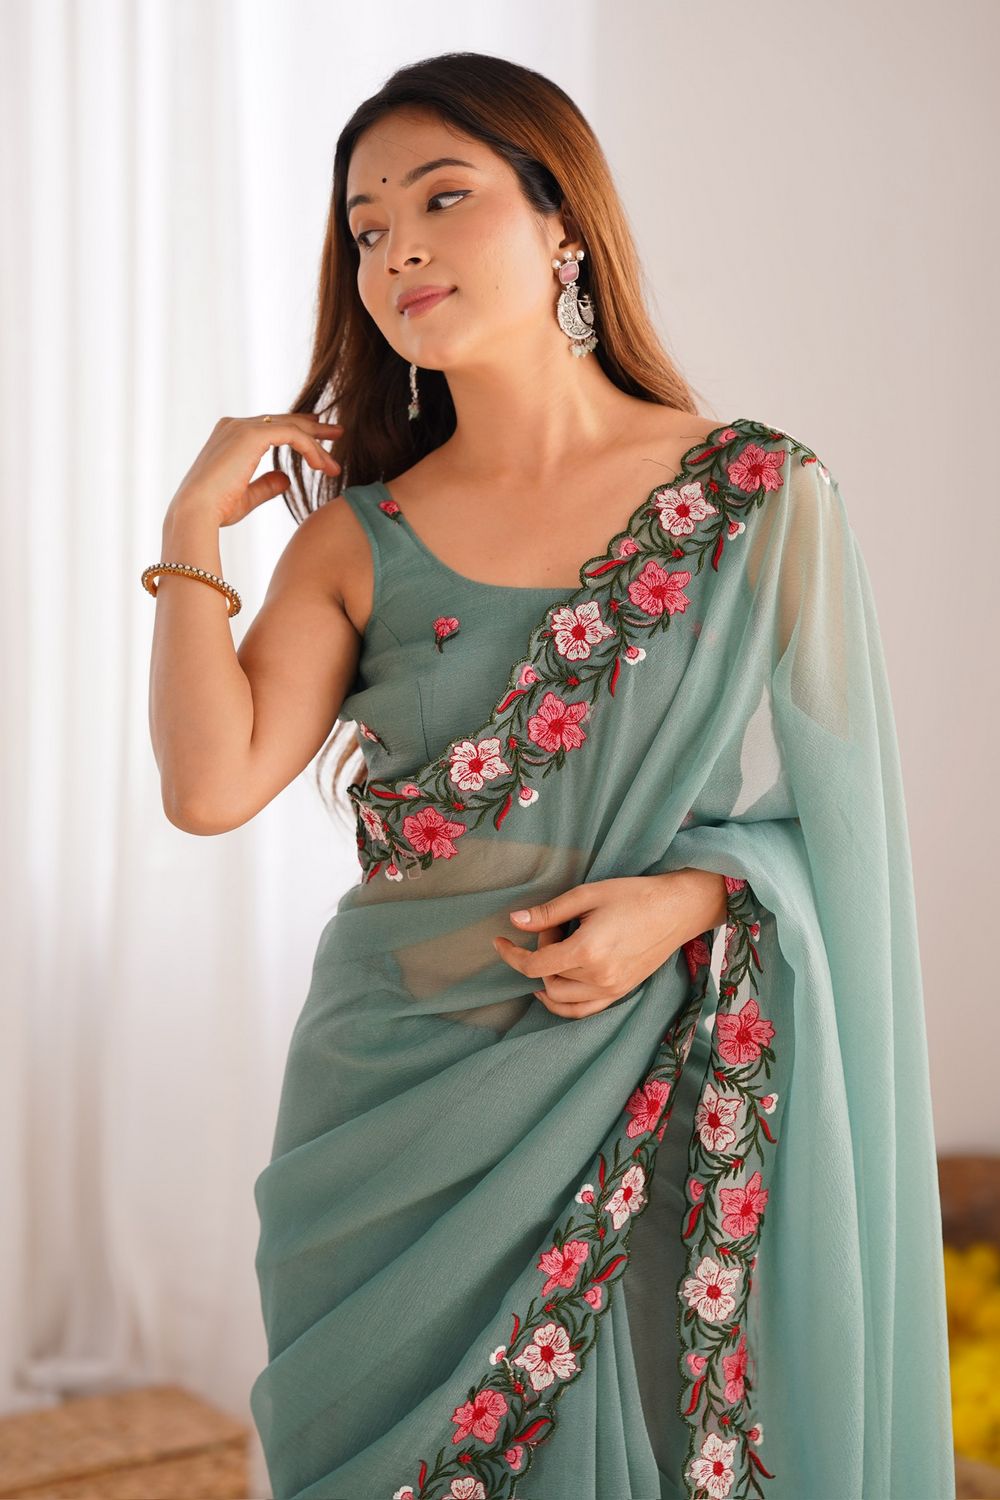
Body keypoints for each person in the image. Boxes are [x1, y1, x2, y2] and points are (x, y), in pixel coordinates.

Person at [143, 51, 955, 1500]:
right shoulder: (358, 537)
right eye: (367, 228)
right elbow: (210, 790)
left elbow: (848, 839)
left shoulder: (757, 500)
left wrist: (695, 899)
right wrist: (191, 535)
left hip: (638, 1072)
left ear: (562, 220)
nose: (398, 250)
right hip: (387, 1105)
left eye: (442, 199)